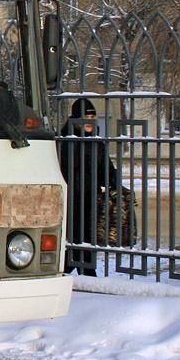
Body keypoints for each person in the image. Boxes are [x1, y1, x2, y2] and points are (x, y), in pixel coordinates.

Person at [57, 98, 115, 277]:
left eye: (92, 116)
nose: (89, 121)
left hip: (91, 203)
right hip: (69, 202)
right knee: (74, 244)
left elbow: (106, 171)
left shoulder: (96, 142)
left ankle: (75, 275)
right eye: (85, 116)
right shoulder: (62, 142)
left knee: (84, 245)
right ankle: (86, 278)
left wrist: (115, 182)